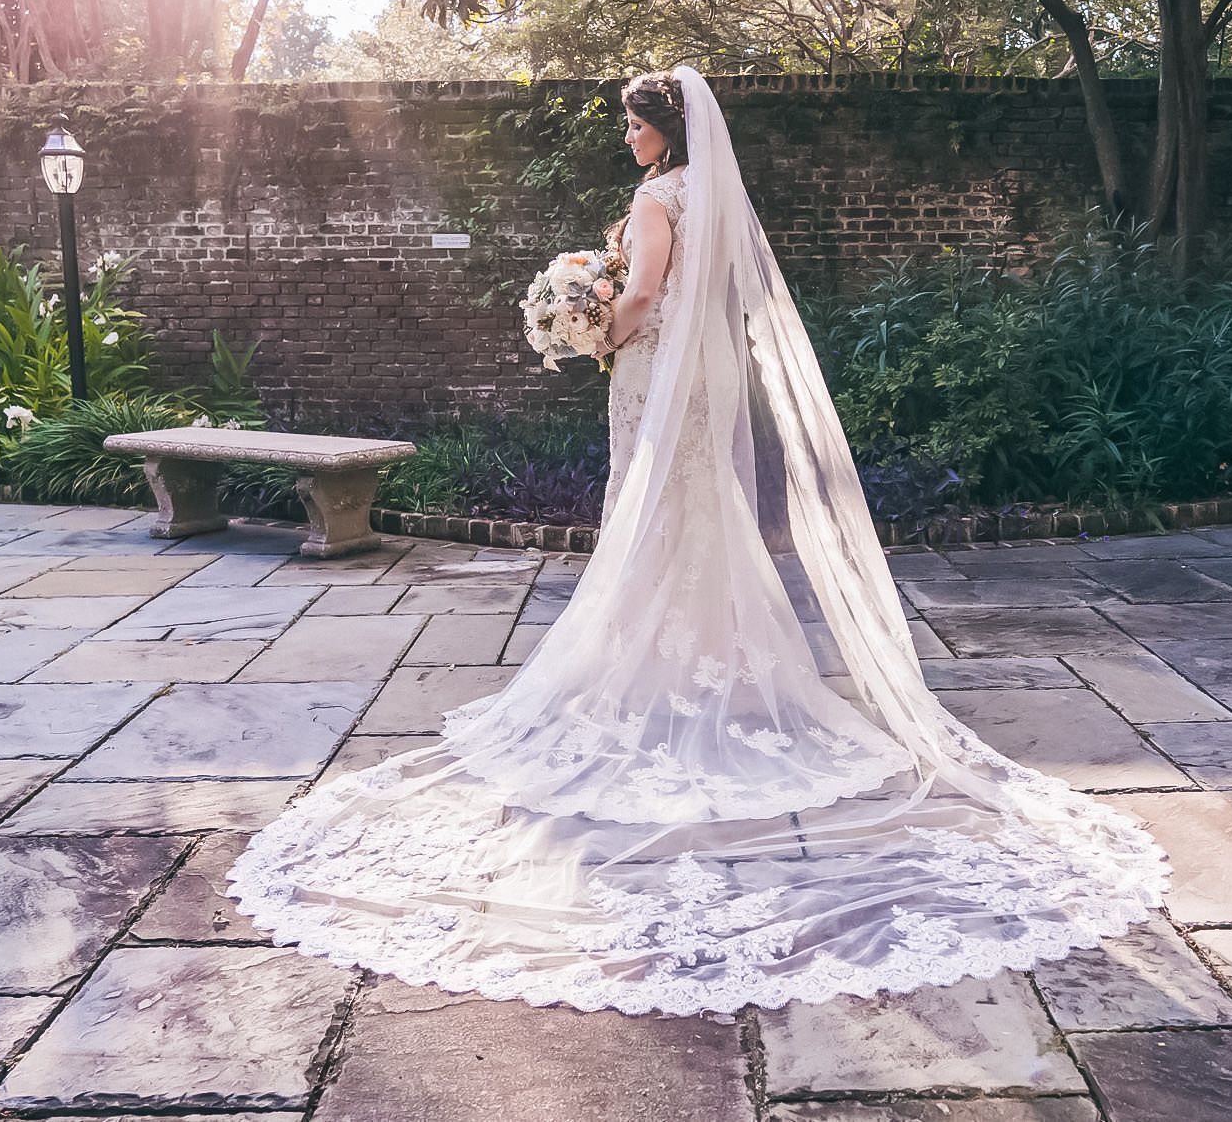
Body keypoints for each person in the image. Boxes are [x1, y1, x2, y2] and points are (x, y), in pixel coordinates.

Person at [227, 65, 1169, 1017]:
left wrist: (593, 334)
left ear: (663, 128)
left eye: (634, 124)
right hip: (704, 376)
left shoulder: (654, 199)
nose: (626, 137)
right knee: (697, 508)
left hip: (654, 373)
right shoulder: (710, 193)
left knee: (651, 512)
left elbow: (642, 295)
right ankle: (711, 658)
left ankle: (652, 670)